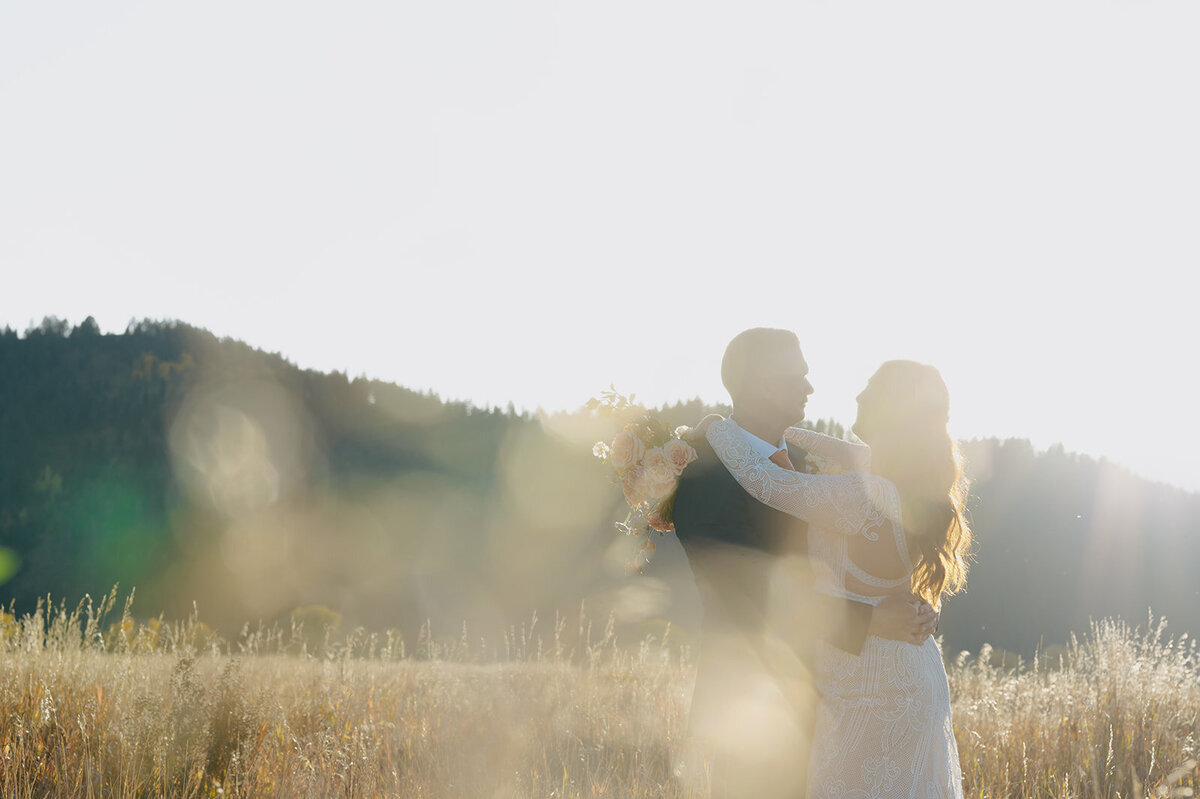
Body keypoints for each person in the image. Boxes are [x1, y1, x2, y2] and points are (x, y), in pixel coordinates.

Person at [671, 328, 939, 798]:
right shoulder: (705, 474)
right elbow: (744, 594)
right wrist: (874, 617)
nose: (810, 388)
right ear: (756, 383)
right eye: (796, 377)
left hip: (843, 705)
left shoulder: (801, 465)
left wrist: (901, 603)